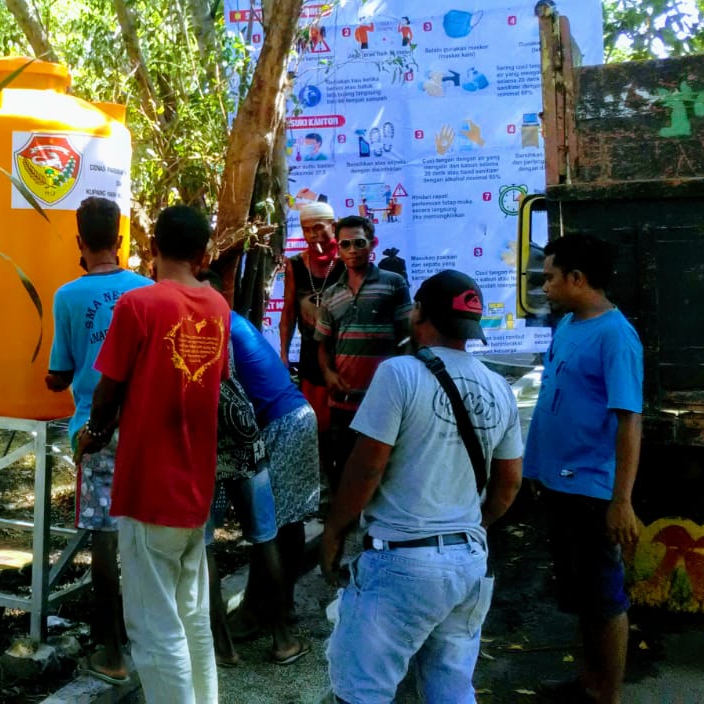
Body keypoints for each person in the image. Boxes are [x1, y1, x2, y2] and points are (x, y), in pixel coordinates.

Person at [319, 269, 524, 702]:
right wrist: (468, 526)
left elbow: (366, 470)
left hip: (402, 564)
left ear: (419, 314)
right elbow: (509, 485)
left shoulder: (399, 374)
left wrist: (336, 531)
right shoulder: (499, 388)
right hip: (468, 562)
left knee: (362, 691)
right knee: (450, 687)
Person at [76, 205, 230, 704]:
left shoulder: (138, 306)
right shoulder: (219, 307)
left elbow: (108, 388)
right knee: (192, 620)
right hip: (195, 489)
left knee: (154, 630)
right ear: (204, 255)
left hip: (148, 491)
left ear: (151, 248)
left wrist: (96, 431)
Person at [523, 233, 643, 704]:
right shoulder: (571, 325)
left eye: (551, 278)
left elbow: (629, 420)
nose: (545, 287)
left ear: (577, 278)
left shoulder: (616, 335)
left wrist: (621, 499)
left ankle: (607, 694)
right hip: (560, 483)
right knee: (582, 594)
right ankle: (590, 682)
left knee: (605, 597)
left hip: (594, 488)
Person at [46, 197, 150, 686]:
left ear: (79, 243)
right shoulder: (147, 290)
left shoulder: (68, 296)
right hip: (144, 428)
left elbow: (59, 373)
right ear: (121, 240)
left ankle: (111, 651)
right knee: (146, 533)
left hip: (95, 430)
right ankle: (146, 637)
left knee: (105, 539)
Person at [196, 271, 310, 669]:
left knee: (271, 530)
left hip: (274, 423)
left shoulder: (214, 324)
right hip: (255, 431)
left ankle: (232, 639)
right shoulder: (227, 320)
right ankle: (279, 632)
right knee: (270, 533)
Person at [220, 295, 322, 649]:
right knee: (287, 523)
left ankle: (254, 614)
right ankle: (282, 605)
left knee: (268, 529)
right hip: (294, 418)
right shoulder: (233, 321)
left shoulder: (221, 328)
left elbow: (226, 396)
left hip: (282, 424)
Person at [316, 215, 412, 487]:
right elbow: (322, 345)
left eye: (359, 243)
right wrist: (328, 373)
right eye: (345, 244)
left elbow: (407, 337)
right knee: (345, 472)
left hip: (384, 400)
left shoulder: (393, 284)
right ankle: (344, 526)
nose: (352, 250)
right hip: (343, 401)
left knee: (386, 473)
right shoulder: (331, 294)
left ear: (373, 244)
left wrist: (401, 382)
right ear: (338, 248)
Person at [279, 201, 343, 432]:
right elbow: (288, 312)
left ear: (333, 226)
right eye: (307, 229)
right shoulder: (295, 265)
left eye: (318, 227)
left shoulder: (348, 261)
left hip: (344, 356)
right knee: (317, 424)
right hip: (311, 354)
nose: (313, 235)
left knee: (344, 424)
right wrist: (284, 354)